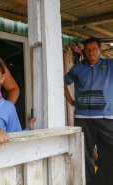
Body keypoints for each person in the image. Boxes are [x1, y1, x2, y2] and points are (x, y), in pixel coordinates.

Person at [64, 37, 113, 185]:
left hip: (107, 117)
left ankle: (103, 181)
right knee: (83, 152)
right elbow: (62, 82)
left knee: (109, 152)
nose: (91, 52)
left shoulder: (110, 64)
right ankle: (87, 181)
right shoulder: (78, 68)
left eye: (94, 49)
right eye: (88, 49)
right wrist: (70, 100)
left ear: (100, 50)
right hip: (83, 117)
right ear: (84, 51)